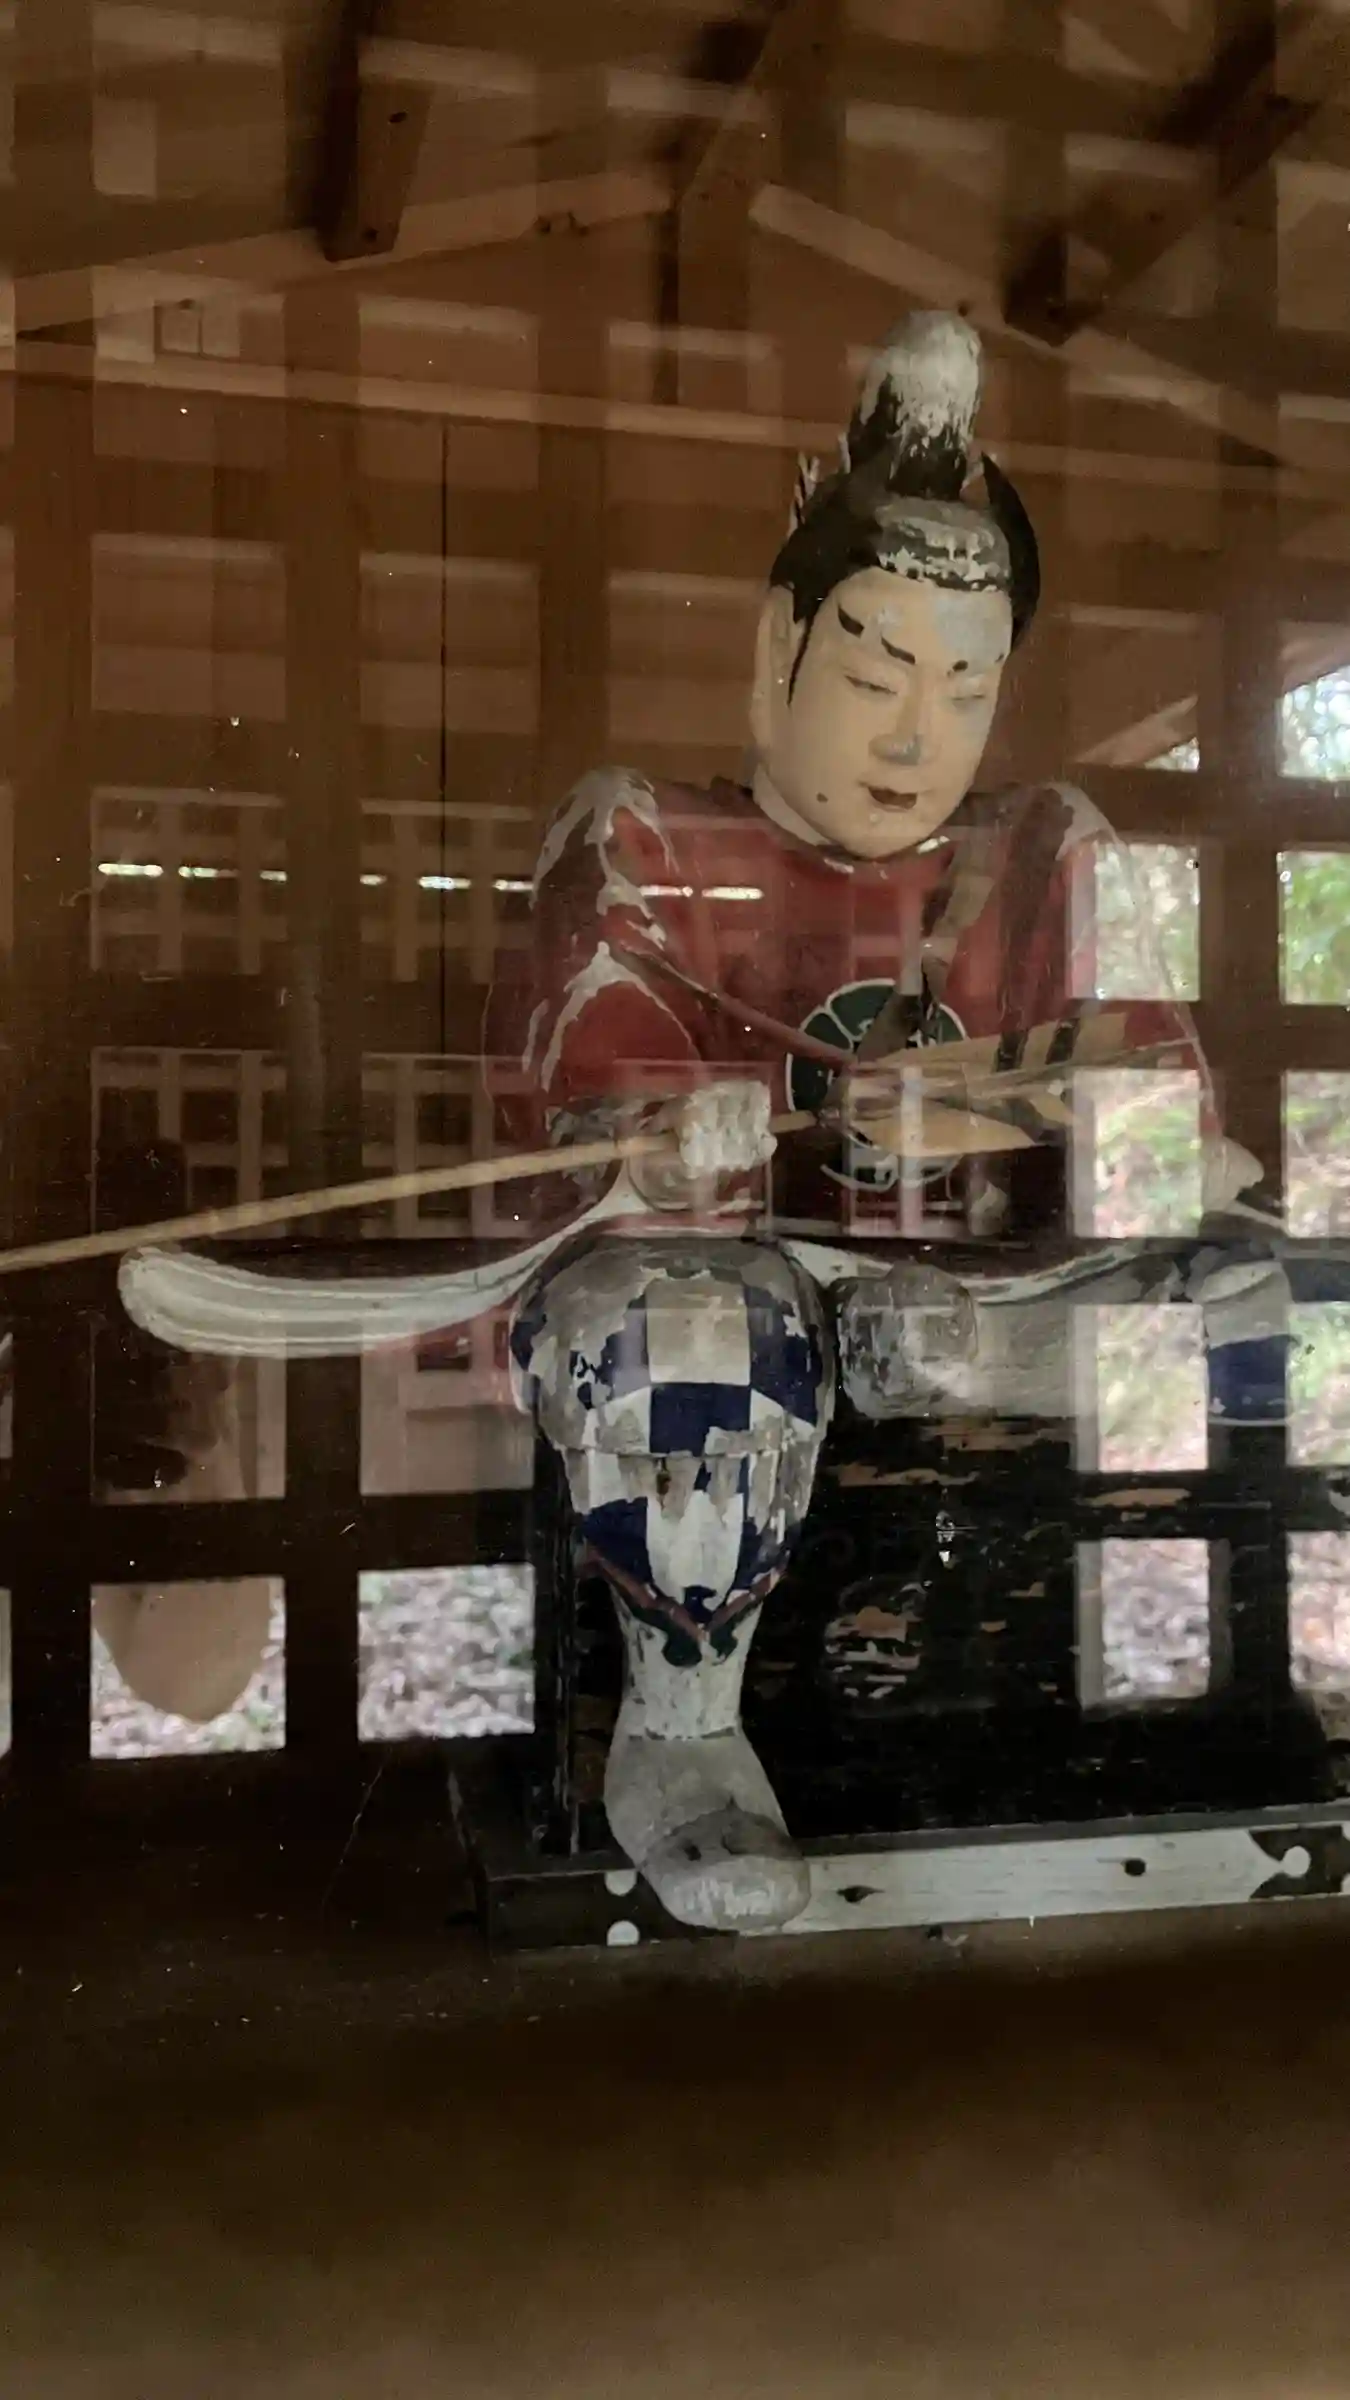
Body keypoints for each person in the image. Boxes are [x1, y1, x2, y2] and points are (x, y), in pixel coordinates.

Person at [120, 312, 1277, 1932]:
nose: (913, 736)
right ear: (772, 651)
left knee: (1254, 1297)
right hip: (731, 1284)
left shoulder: (1040, 849)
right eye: (871, 674)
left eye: (964, 689)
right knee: (686, 1331)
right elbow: (592, 1079)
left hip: (991, 1288)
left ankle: (948, 1363)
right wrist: (666, 1135)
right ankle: (682, 1733)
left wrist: (1150, 1156)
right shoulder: (646, 834)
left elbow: (1152, 1106)